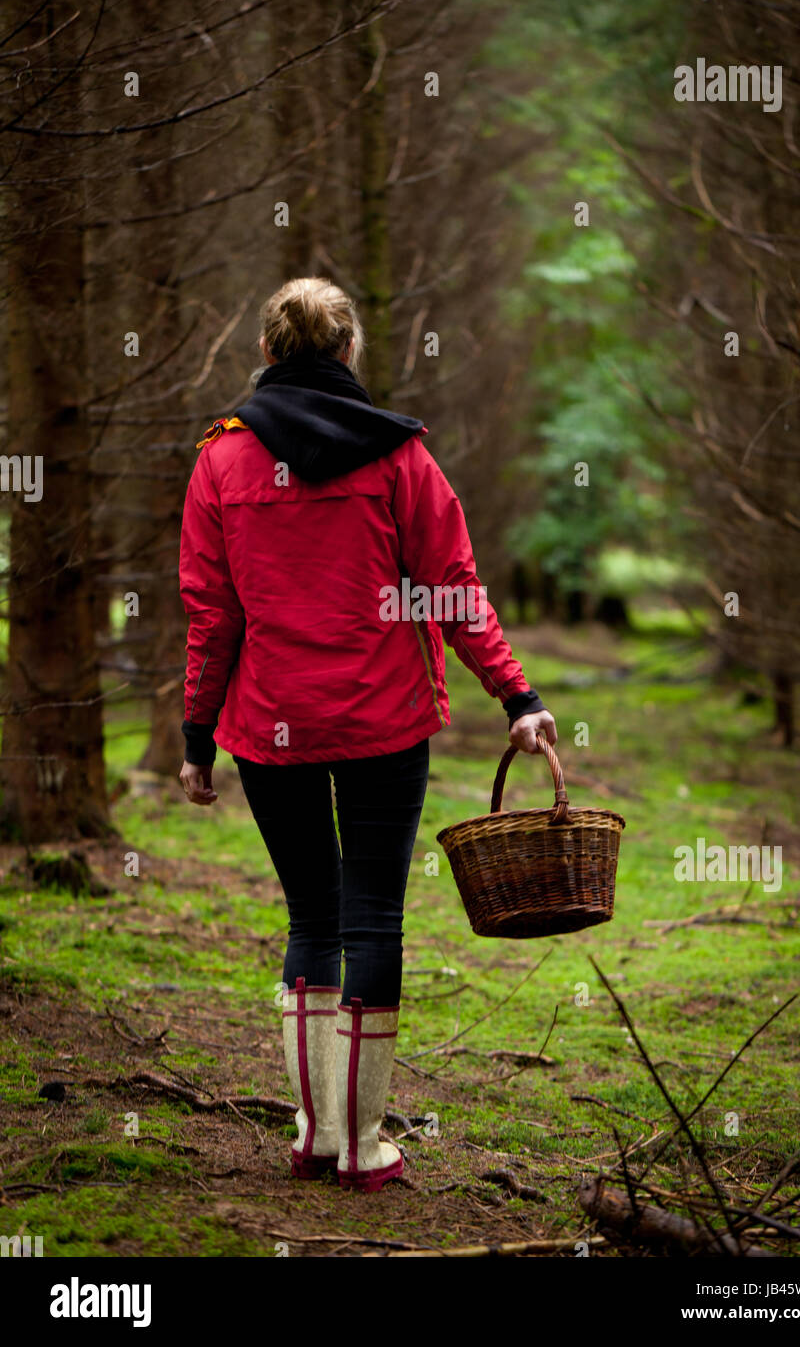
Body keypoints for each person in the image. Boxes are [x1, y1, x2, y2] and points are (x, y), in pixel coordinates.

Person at [178, 277, 557, 1192]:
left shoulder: (220, 463)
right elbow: (453, 590)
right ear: (348, 353)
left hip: (271, 729)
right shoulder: (398, 458)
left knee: (311, 917)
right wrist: (517, 696)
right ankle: (363, 1145)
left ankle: (314, 1135)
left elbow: (210, 616)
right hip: (382, 721)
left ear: (268, 354)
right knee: (372, 918)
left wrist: (198, 738)